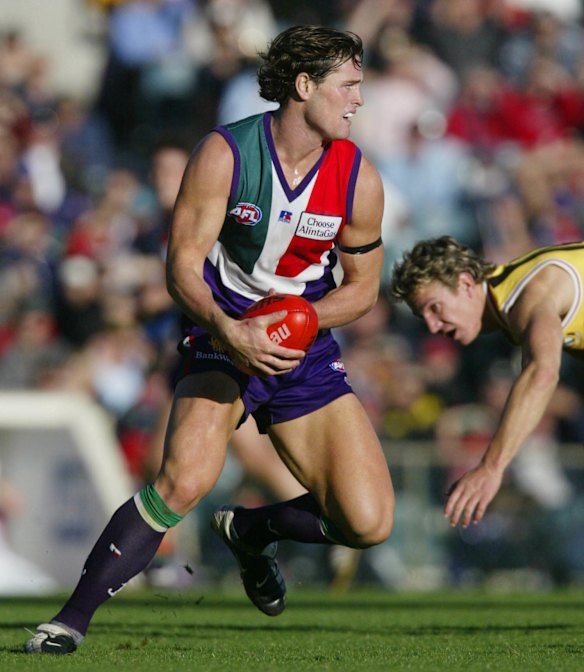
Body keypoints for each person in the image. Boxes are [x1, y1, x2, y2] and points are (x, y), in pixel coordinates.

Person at [25, 25, 394, 654]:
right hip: (222, 332)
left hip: (300, 346)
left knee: (368, 521)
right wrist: (232, 327)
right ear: (304, 87)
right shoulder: (226, 154)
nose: (360, 99)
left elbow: (362, 288)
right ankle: (66, 623)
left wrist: (302, 322)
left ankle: (251, 532)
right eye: (349, 85)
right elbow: (182, 266)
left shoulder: (359, 177)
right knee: (183, 479)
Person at [389, 235, 584, 530]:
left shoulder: (525, 296)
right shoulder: (510, 299)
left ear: (466, 284)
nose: (431, 326)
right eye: (422, 316)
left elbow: (541, 373)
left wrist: (491, 467)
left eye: (435, 308)